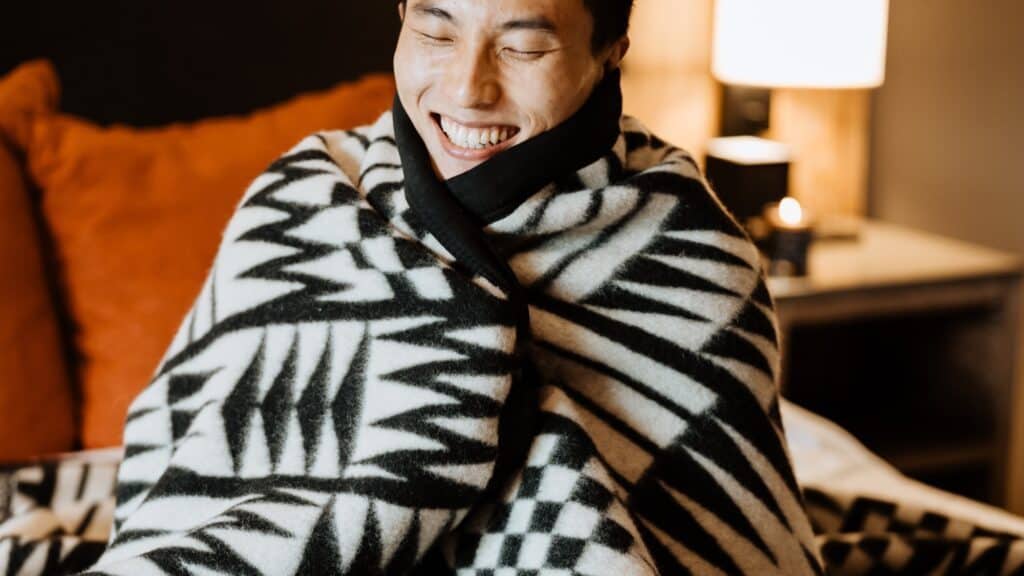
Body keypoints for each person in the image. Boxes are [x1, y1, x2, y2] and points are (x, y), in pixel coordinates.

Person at [86, 1, 824, 574]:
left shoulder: (690, 250)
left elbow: (730, 534)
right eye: (437, 33)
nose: (469, 88)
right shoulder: (306, 200)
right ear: (402, 20)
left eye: (524, 46)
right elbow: (184, 473)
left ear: (609, 55)